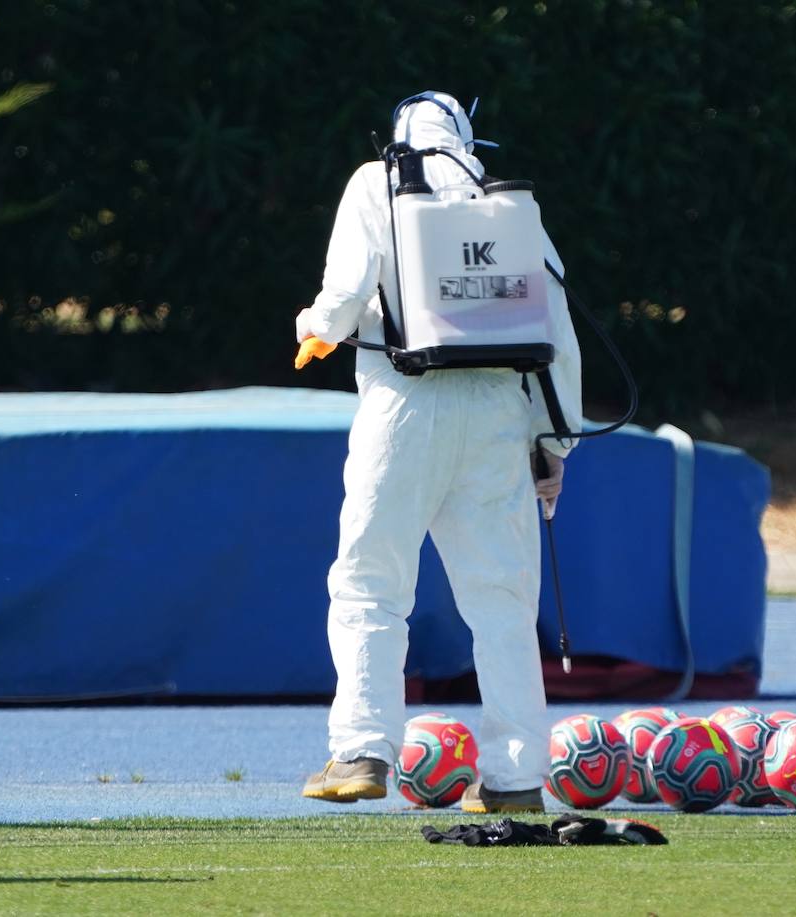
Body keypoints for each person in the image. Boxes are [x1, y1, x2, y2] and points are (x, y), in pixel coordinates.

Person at [294, 92, 581, 813]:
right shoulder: (504, 202)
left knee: (370, 584)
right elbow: (557, 322)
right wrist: (556, 440)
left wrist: (317, 328)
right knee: (504, 603)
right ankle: (516, 778)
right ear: (468, 136)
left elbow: (346, 286)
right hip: (498, 414)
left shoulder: (376, 180)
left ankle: (362, 752)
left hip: (405, 404)